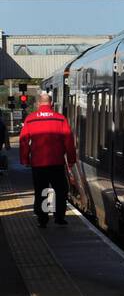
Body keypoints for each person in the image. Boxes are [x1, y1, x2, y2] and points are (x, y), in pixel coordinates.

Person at [18, 92, 77, 228]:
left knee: (41, 190)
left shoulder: (30, 119)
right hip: (56, 162)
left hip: (38, 163)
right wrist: (71, 159)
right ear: (51, 103)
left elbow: (24, 141)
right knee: (60, 190)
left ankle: (43, 219)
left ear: (39, 103)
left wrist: (25, 159)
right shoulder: (60, 119)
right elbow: (68, 141)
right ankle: (59, 217)